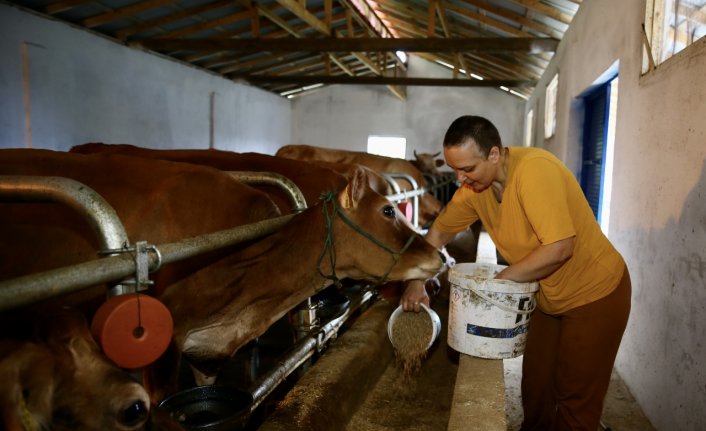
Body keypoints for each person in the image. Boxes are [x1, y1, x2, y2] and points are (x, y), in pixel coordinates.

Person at [401, 115, 631, 431]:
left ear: (494, 154)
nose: (460, 179)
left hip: (595, 293)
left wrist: (497, 284)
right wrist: (416, 279)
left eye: (468, 169)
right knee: (536, 387)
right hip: (547, 297)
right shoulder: (475, 191)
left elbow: (560, 248)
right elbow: (437, 234)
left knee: (574, 396)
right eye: (455, 170)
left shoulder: (535, 172)